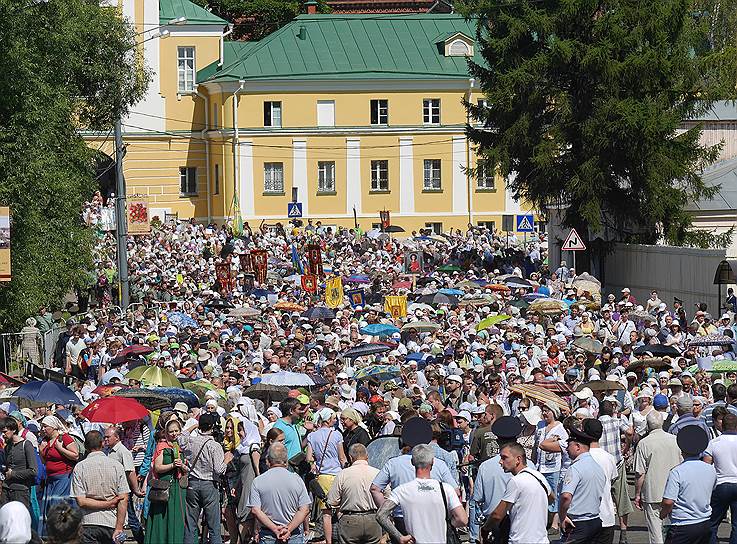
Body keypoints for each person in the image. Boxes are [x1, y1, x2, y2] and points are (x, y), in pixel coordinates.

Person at [376, 443, 467, 544]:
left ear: (412, 462)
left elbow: (381, 515)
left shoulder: (402, 490)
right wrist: (448, 523)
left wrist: (400, 537)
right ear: (432, 462)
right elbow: (462, 519)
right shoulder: (446, 489)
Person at [483, 441, 553, 544]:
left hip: (521, 540)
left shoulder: (516, 481)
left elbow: (497, 514)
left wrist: (485, 529)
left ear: (518, 459)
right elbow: (551, 498)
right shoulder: (538, 476)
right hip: (541, 540)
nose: (500, 462)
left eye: (504, 457)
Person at [70, 430, 129, 544]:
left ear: (85, 446)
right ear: (102, 443)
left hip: (88, 522)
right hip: (111, 522)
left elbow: (81, 501)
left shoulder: (79, 467)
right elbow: (123, 499)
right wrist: (119, 527)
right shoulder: (116, 466)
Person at [660, 426, 716, 544]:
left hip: (682, 524)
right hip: (704, 522)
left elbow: (668, 501)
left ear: (682, 450)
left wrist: (663, 513)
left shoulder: (677, 472)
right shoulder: (710, 469)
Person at [247, 442, 311, 544]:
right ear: (286, 461)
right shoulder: (297, 480)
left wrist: (275, 528)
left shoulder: (258, 481)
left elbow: (255, 510)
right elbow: (305, 509)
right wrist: (289, 529)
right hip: (293, 535)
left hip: (268, 535)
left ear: (268, 461)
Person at [633, 411, 681, 544]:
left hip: (652, 491)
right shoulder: (675, 440)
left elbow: (640, 473)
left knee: (655, 530)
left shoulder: (644, 443)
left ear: (647, 425)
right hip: (674, 490)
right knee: (675, 526)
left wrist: (637, 494)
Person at [183, 412, 231, 544]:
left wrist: (193, 426)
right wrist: (226, 460)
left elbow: (181, 437)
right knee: (214, 527)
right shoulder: (214, 446)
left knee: (190, 524)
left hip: (192, 484)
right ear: (212, 427)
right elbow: (218, 470)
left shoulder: (191, 441)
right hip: (209, 485)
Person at [470, 417, 518, 543]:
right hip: (519, 523)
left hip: (493, 523)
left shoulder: (486, 466)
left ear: (497, 441)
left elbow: (478, 498)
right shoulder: (529, 465)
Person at [325, 443, 382, 544]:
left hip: (350, 521)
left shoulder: (343, 474)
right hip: (373, 519)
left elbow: (332, 500)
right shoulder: (378, 473)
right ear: (367, 456)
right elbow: (387, 496)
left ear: (351, 458)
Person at [558, 425, 607, 544]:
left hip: (577, 524)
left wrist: (562, 516)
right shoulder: (598, 467)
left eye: (569, 446)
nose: (566, 450)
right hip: (595, 521)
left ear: (578, 447)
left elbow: (566, 496)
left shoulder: (575, 468)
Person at [145, 417, 186, 544]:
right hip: (165, 487)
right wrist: (173, 465)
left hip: (178, 487)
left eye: (176, 431)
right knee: (162, 518)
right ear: (166, 433)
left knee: (176, 518)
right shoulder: (162, 446)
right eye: (171, 431)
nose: (174, 434)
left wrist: (184, 467)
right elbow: (157, 467)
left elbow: (186, 467)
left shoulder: (182, 446)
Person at [103, 425, 144, 544]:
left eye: (108, 437)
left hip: (123, 491)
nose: (105, 439)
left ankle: (142, 540)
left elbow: (131, 471)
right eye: (105, 437)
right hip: (110, 490)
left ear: (116, 437)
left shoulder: (123, 452)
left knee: (131, 519)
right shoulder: (107, 451)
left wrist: (136, 489)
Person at [39, 415, 79, 536]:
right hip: (50, 479)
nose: (43, 429)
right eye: (42, 426)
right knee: (49, 508)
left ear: (54, 427)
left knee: (57, 506)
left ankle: (63, 533)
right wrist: (41, 451)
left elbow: (75, 455)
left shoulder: (64, 438)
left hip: (63, 477)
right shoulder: (45, 441)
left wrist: (60, 448)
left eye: (45, 426)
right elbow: (45, 462)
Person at [703, 413, 737, 544]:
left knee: (712, 522)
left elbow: (707, 466)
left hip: (721, 484)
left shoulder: (713, 443)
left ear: (722, 426)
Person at [1, 417, 38, 511]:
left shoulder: (26, 444)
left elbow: (33, 471)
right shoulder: (7, 447)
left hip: (20, 491)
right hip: (6, 490)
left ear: (13, 429)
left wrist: (13, 474)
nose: (3, 435)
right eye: (2, 432)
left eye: (5, 432)